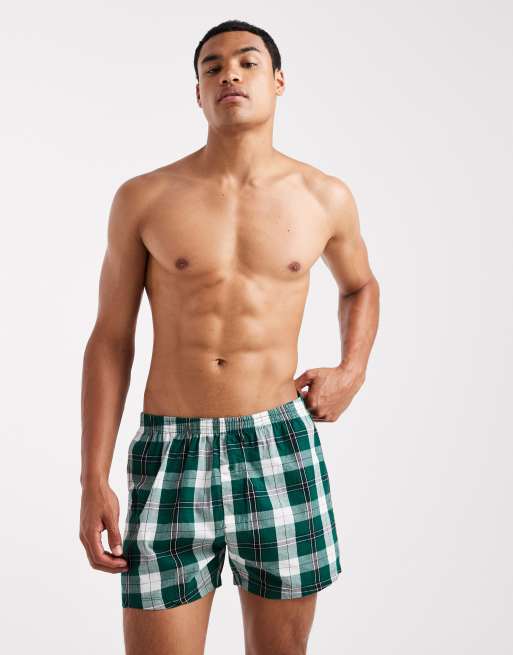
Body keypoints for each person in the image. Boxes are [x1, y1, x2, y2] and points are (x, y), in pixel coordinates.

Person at [79, 18, 380, 655]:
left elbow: (360, 286)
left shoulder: (323, 196)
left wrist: (351, 370)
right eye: (212, 67)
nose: (229, 75)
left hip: (278, 444)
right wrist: (92, 478)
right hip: (171, 450)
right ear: (198, 92)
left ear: (278, 81)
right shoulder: (144, 198)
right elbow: (110, 338)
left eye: (247, 62)